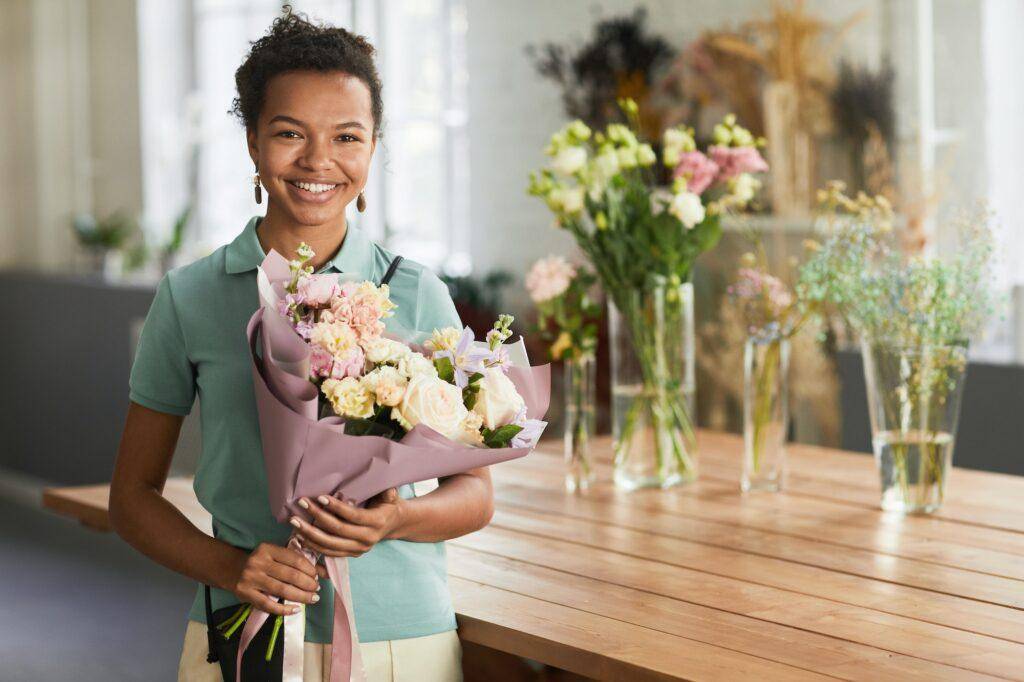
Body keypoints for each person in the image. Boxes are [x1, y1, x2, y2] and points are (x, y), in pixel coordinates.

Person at [109, 7, 490, 680]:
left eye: (347, 136)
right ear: (253, 142)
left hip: (400, 639)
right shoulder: (189, 297)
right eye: (290, 134)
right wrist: (234, 565)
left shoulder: (419, 292)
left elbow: (475, 492)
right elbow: (132, 498)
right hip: (242, 630)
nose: (318, 161)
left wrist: (394, 522)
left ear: (374, 146)